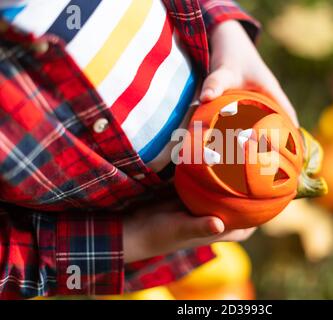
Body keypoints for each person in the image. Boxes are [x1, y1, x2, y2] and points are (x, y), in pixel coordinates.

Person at [0, 0, 299, 299]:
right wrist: (132, 240)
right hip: (121, 241)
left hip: (211, 192)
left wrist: (227, 32)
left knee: (218, 278)